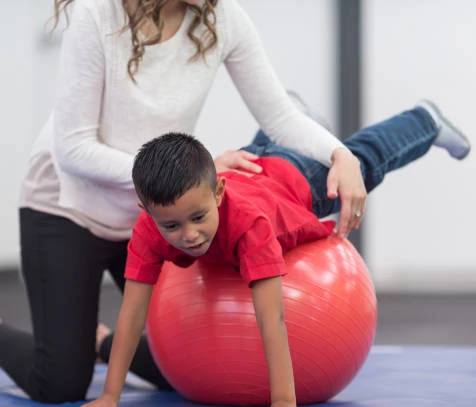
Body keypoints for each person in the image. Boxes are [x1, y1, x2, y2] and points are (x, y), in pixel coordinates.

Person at [0, 0, 369, 403]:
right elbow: (74, 148)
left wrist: (340, 155)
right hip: (66, 207)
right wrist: (179, 177)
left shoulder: (222, 17)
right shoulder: (97, 15)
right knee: (60, 382)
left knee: (190, 369)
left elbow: (279, 116)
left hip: (154, 217)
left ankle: (96, 342)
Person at [85, 101, 470, 407]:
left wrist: (284, 402)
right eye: (172, 226)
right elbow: (133, 315)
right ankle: (291, 113)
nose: (189, 235)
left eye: (199, 218)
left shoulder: (251, 227)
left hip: (297, 179)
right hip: (250, 167)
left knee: (364, 159)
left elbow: (272, 319)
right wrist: (109, 397)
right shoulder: (151, 228)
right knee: (262, 150)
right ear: (147, 212)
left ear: (217, 194)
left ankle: (425, 121)